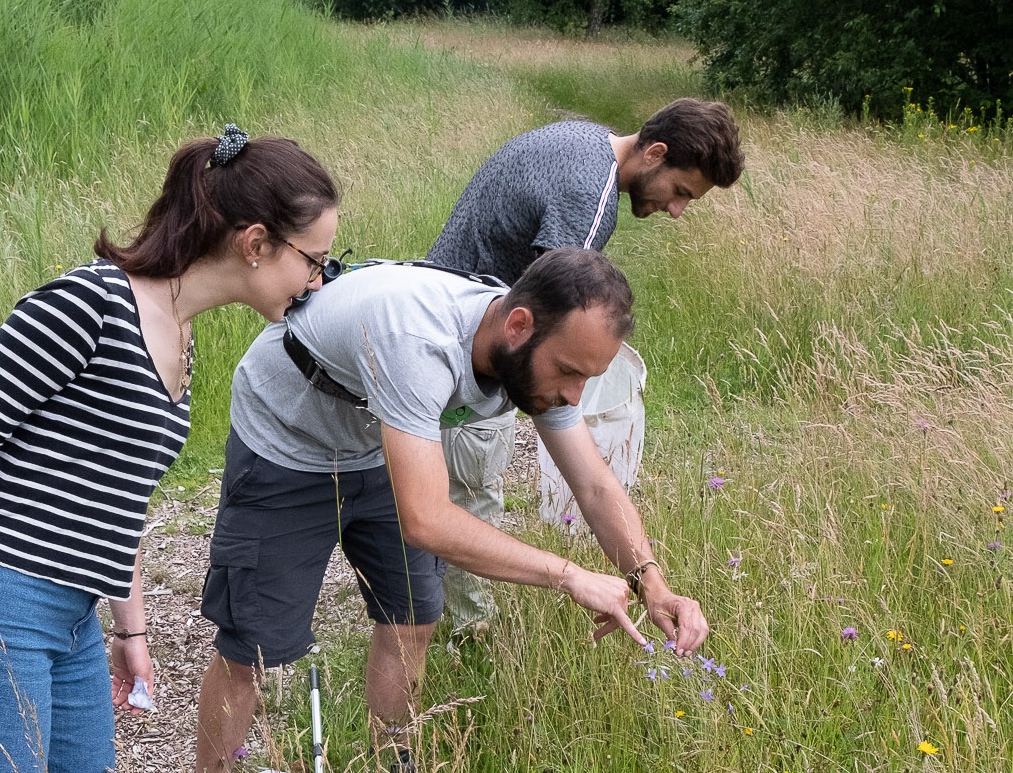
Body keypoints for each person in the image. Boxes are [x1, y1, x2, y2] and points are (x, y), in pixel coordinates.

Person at [0, 124, 340, 772]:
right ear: (255, 243)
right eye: (313, 259)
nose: (319, 281)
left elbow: (114, 492)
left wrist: (128, 625)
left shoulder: (182, 337)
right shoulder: (91, 303)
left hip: (73, 617)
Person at [193, 248, 708, 773]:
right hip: (286, 445)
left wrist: (651, 581)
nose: (573, 395)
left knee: (412, 617)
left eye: (586, 379)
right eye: (569, 372)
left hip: (381, 439)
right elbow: (427, 519)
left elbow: (595, 486)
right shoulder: (419, 339)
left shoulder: (537, 357)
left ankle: (393, 762)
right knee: (252, 650)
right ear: (518, 325)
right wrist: (567, 574)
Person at [428, 98, 744, 637]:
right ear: (656, 153)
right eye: (682, 192)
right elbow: (561, 318)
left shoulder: (582, 141)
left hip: (453, 326)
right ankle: (465, 633)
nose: (676, 211)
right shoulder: (590, 197)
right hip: (468, 366)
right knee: (466, 501)